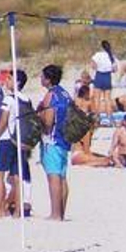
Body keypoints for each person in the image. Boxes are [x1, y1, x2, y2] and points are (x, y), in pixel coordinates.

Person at [0, 69, 31, 218]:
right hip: (20, 140)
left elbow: (3, 122)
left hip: (7, 139)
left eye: (9, 79)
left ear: (17, 82)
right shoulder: (26, 99)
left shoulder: (9, 99)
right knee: (16, 176)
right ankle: (17, 211)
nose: (6, 81)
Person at [38, 64, 74, 221]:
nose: (40, 79)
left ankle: (55, 213)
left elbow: (48, 122)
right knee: (62, 177)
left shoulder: (50, 96)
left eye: (42, 76)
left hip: (52, 139)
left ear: (48, 79)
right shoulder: (65, 94)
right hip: (64, 139)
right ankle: (61, 212)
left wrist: (38, 117)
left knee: (53, 177)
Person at [90, 41, 117, 117]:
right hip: (108, 77)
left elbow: (93, 66)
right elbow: (115, 70)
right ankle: (109, 117)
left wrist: (99, 67)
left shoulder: (97, 55)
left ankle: (97, 117)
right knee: (107, 99)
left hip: (99, 75)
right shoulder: (111, 56)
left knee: (97, 98)